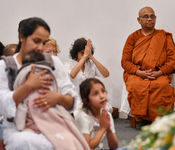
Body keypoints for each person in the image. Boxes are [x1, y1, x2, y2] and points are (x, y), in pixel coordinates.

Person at [0, 17, 88, 150]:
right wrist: (27, 86)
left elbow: (71, 100)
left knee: (70, 142)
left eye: (44, 42)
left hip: (52, 121)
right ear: (22, 37)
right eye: (36, 41)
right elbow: (3, 105)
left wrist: (58, 98)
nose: (40, 47)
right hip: (18, 126)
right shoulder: (5, 65)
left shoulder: (53, 62)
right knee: (24, 143)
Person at [121, 6, 175, 125]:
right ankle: (140, 117)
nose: (149, 19)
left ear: (155, 18)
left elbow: (172, 60)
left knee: (162, 85)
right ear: (139, 20)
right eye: (146, 16)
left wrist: (159, 72)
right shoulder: (132, 38)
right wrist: (139, 72)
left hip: (158, 72)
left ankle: (160, 119)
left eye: (152, 16)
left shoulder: (164, 36)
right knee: (136, 85)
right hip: (137, 73)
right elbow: (125, 62)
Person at [64, 38, 112, 113]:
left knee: (106, 109)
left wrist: (91, 57)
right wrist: (84, 57)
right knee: (81, 113)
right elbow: (72, 75)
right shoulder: (68, 65)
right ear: (76, 53)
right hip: (77, 99)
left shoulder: (90, 65)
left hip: (91, 98)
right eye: (82, 53)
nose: (85, 55)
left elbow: (106, 74)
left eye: (86, 53)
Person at [75, 78, 118, 150]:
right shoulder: (82, 117)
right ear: (86, 101)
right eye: (95, 93)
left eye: (103, 91)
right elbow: (87, 147)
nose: (102, 96)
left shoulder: (106, 115)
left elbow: (114, 147)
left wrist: (108, 130)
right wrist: (102, 129)